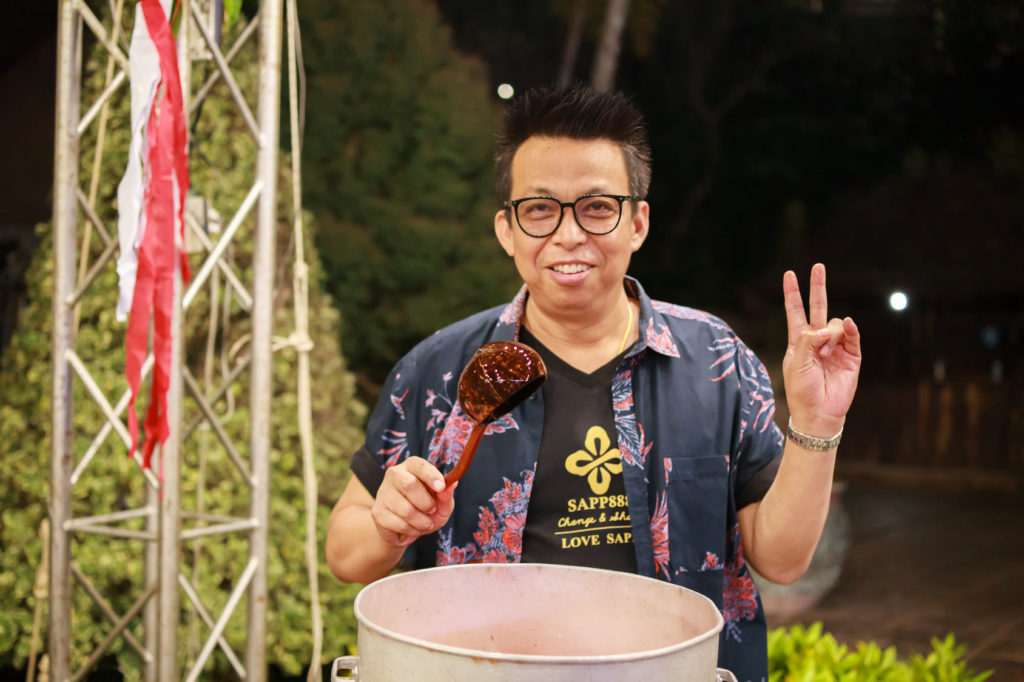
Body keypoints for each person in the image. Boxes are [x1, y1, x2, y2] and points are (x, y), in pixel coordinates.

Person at [326, 84, 861, 681]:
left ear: (638, 222)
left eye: (598, 207)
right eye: (539, 209)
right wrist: (388, 525)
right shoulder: (440, 371)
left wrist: (818, 422)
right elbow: (346, 552)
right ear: (506, 229)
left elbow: (782, 561)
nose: (569, 234)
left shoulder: (716, 362)